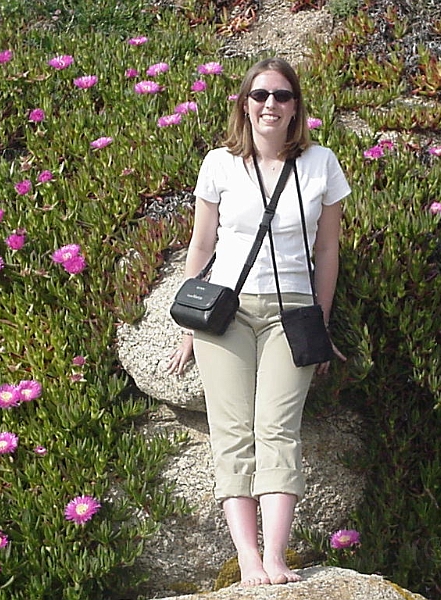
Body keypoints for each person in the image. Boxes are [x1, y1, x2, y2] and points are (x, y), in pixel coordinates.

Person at [167, 57, 350, 586]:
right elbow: (201, 245)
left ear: (297, 106)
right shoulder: (220, 163)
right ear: (245, 103)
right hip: (225, 310)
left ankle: (276, 556)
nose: (271, 104)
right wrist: (187, 326)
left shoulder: (322, 164)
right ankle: (247, 557)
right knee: (230, 431)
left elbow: (328, 250)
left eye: (283, 96)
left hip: (292, 311)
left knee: (278, 429)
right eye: (260, 95)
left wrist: (323, 320)